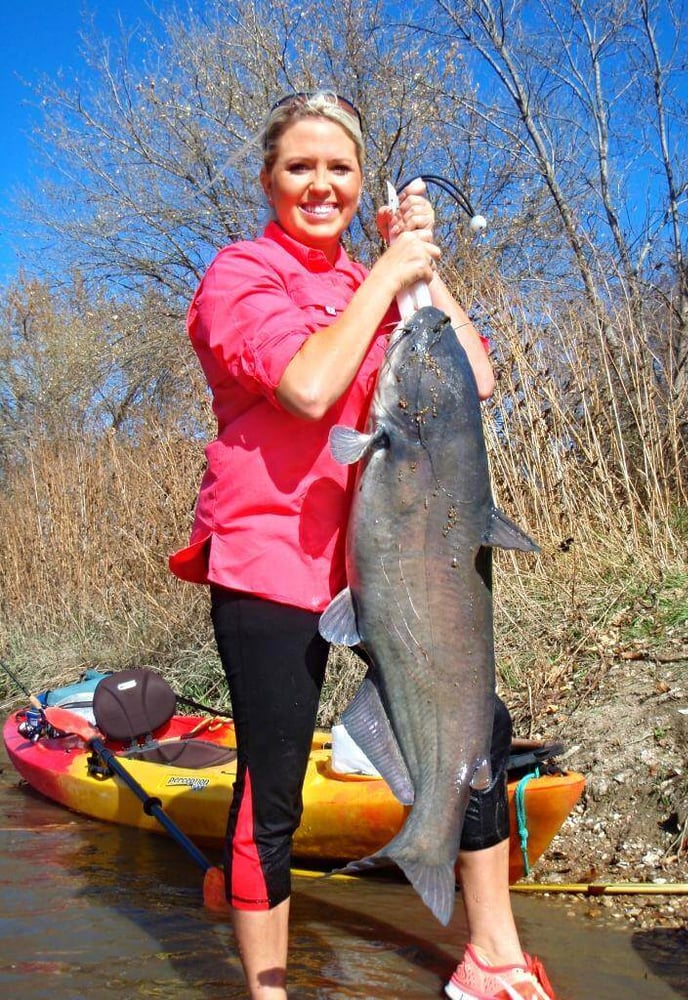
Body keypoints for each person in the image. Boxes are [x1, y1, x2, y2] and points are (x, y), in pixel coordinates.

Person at [169, 90, 557, 1000]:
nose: (320, 184)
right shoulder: (238, 276)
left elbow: (479, 377)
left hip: (392, 563)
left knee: (480, 734)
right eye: (299, 166)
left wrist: (422, 267)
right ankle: (268, 988)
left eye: (338, 168)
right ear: (268, 179)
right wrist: (386, 275)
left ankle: (492, 956)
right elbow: (306, 387)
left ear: (358, 184)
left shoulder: (373, 280)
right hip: (272, 557)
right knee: (273, 785)